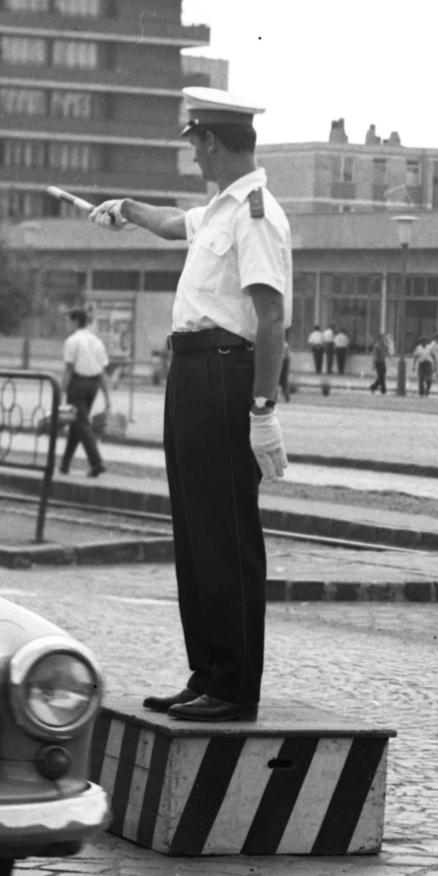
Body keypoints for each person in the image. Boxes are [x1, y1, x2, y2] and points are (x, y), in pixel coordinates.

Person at [87, 88, 291, 724]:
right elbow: (175, 222)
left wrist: (262, 410)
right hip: (193, 371)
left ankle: (234, 686)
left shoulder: (255, 214)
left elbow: (271, 316)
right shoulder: (222, 209)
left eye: (196, 144)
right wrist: (126, 209)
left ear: (211, 141)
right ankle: (207, 673)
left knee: (225, 533)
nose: (194, 157)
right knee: (196, 531)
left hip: (225, 374)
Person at [59, 308, 108, 478]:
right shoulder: (97, 341)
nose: (66, 324)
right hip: (93, 385)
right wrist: (107, 397)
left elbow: (68, 369)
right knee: (77, 422)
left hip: (78, 385)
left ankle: (96, 462)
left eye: (68, 321)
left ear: (75, 321)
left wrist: (61, 391)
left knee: (81, 423)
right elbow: (102, 372)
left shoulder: (72, 341)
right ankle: (65, 463)